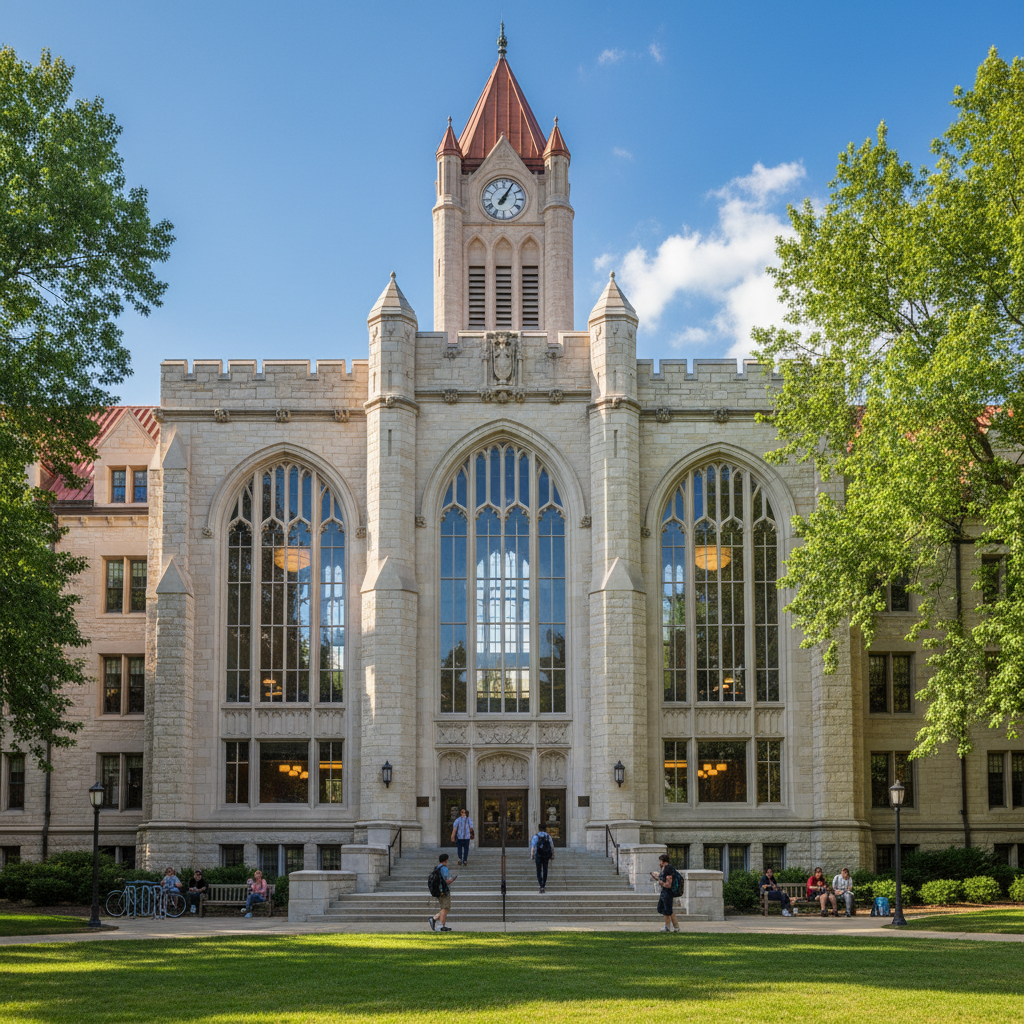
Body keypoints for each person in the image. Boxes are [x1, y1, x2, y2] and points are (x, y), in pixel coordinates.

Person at [650, 854, 681, 932]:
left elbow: (668, 884)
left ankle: (671, 927)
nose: (660, 863)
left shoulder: (668, 869)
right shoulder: (666, 869)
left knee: (668, 910)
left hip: (668, 892)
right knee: (663, 908)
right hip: (664, 892)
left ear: (662, 861)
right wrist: (657, 878)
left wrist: (660, 881)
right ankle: (672, 927)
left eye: (660, 861)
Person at [428, 853, 456, 932]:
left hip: (438, 891)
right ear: (446, 860)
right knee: (446, 907)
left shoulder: (437, 868)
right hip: (444, 891)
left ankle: (441, 925)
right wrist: (453, 878)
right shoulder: (444, 868)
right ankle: (436, 921)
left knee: (444, 907)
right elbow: (447, 881)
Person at [530, 823, 555, 893]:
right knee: (545, 869)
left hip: (538, 855)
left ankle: (540, 884)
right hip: (546, 855)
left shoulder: (535, 836)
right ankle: (543, 884)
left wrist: (532, 855)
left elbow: (533, 847)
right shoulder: (548, 836)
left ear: (539, 828)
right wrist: (553, 855)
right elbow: (552, 846)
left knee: (538, 870)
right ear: (545, 829)